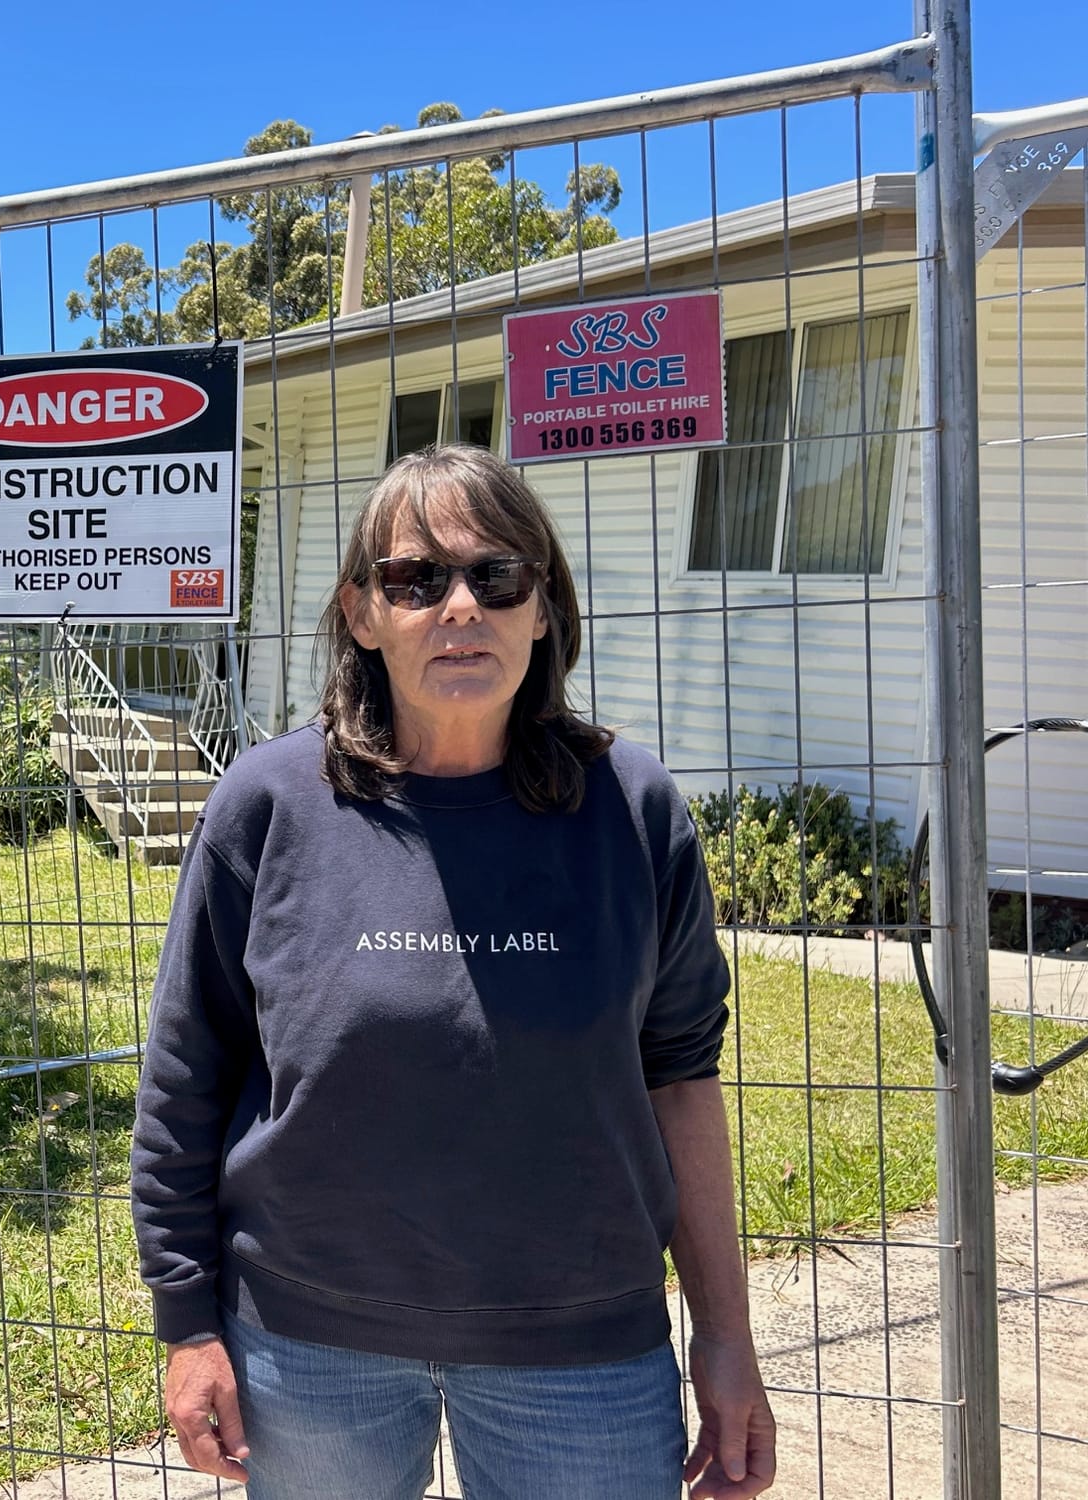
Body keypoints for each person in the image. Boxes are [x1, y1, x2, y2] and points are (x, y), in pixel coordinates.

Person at [130, 445, 776, 1500]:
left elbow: (679, 1080)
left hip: (580, 1354)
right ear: (359, 611)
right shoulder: (266, 806)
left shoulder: (633, 809)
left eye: (497, 576)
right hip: (307, 1349)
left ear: (542, 608)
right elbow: (184, 1080)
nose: (459, 607)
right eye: (414, 579)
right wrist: (187, 1323)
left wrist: (724, 1336)